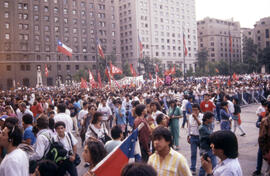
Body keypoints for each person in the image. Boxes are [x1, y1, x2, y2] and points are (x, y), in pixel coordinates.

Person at [198, 112, 217, 176]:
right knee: (204, 166)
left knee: (213, 165)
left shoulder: (209, 125)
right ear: (207, 119)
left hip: (210, 148)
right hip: (205, 149)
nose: (213, 120)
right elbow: (210, 135)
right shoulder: (202, 128)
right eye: (211, 119)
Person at [187, 104, 203, 175]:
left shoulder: (202, 116)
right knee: (193, 153)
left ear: (199, 110)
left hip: (200, 137)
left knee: (202, 153)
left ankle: (203, 167)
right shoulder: (190, 116)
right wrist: (188, 136)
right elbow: (189, 126)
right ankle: (193, 168)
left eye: (196, 109)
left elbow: (201, 125)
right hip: (193, 137)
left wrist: (196, 118)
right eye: (193, 109)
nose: (194, 111)